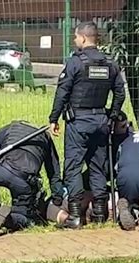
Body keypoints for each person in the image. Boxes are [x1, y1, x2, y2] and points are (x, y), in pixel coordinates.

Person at [48, 21, 125, 229]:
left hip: (78, 123)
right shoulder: (110, 63)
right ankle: (100, 213)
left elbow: (62, 92)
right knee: (97, 166)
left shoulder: (75, 62)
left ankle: (75, 216)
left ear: (83, 38)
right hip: (101, 121)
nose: (74, 40)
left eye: (75, 37)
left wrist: (53, 118)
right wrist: (113, 116)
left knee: (73, 167)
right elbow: (120, 93)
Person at [0, 121, 65, 237]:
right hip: (24, 181)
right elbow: (53, 173)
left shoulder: (9, 128)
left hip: (1, 170)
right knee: (25, 217)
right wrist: (57, 198)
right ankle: (10, 219)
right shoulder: (45, 137)